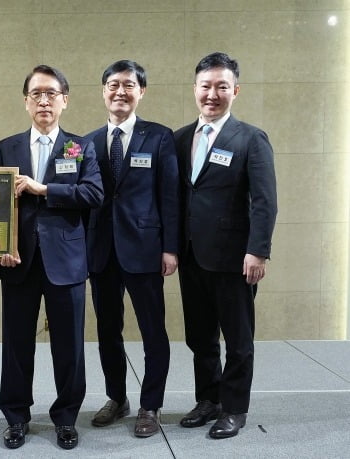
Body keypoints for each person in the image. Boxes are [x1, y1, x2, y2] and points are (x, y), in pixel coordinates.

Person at [0, 65, 104, 450]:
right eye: (36, 94)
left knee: (69, 346)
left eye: (51, 94)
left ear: (65, 101)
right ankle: (16, 417)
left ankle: (66, 418)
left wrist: (43, 189)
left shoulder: (80, 146)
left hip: (67, 262)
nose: (44, 100)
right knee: (16, 345)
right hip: (17, 260)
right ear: (26, 101)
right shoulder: (5, 148)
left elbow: (93, 194)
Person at [174, 52, 277, 439]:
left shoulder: (251, 138)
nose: (212, 94)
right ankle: (208, 399)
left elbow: (266, 200)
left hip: (236, 259)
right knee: (199, 336)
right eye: (205, 86)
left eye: (221, 86)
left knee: (237, 340)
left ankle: (234, 408)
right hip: (191, 255)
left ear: (235, 90)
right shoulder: (181, 138)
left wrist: (259, 250)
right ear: (195, 89)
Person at [85, 60, 179, 437]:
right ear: (103, 91)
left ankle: (150, 404)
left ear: (141, 91)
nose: (120, 91)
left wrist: (170, 248)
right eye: (112, 84)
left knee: (152, 329)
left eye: (128, 85)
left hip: (144, 248)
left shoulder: (159, 137)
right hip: (100, 250)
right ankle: (116, 397)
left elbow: (169, 196)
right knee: (108, 330)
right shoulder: (86, 142)